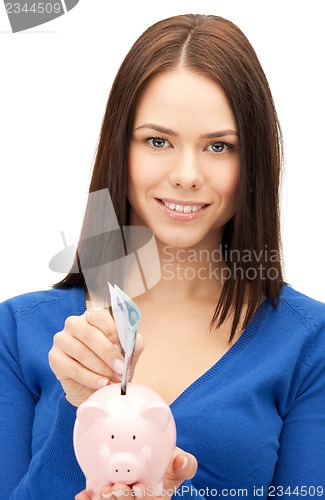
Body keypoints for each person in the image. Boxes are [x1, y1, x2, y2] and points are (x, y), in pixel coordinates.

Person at [1, 13, 325, 500]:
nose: (187, 174)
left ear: (254, 161)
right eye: (158, 141)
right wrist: (84, 409)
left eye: (219, 146)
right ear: (120, 147)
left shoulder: (309, 346)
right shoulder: (15, 332)